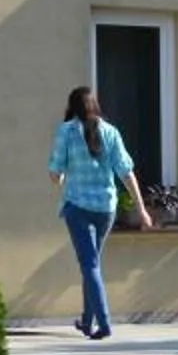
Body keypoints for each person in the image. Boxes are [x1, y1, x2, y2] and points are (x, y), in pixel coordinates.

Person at [49, 85, 145, 339]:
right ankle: (86, 320)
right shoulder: (111, 132)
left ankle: (104, 323)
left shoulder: (67, 132)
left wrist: (59, 179)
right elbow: (126, 172)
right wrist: (142, 210)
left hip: (78, 207)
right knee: (91, 265)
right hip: (106, 209)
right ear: (94, 106)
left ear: (72, 107)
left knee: (90, 265)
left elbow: (55, 173)